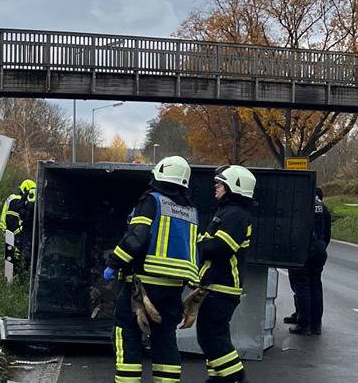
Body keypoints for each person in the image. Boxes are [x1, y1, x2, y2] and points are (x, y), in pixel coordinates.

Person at [103, 156, 198, 383]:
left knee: (127, 333)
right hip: (173, 289)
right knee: (165, 339)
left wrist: (113, 263)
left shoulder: (151, 201)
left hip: (143, 286)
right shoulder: (190, 210)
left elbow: (136, 239)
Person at [194, 165, 256, 383]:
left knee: (211, 335)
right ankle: (219, 378)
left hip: (223, 287)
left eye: (220, 184)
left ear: (233, 187)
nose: (216, 188)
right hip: (217, 286)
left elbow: (219, 247)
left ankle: (234, 377)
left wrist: (198, 241)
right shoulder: (229, 212)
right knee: (213, 335)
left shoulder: (236, 214)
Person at [286, 187, 332, 335]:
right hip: (319, 250)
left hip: (302, 249)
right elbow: (327, 234)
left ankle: (303, 323)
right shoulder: (322, 207)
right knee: (315, 285)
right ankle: (316, 324)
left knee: (301, 285)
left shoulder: (300, 203)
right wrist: (321, 246)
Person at [0, 179, 36, 272]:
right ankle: (13, 275)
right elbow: (11, 219)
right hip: (11, 229)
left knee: (11, 254)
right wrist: (19, 234)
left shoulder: (13, 197)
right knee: (14, 254)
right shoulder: (17, 200)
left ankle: (12, 275)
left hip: (7, 229)